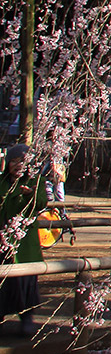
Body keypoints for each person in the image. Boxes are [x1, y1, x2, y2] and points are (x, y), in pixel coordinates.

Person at [0, 144, 48, 338]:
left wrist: (31, 195)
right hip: (2, 238)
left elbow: (42, 203)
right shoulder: (2, 182)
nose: (18, 165)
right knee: (2, 284)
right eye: (14, 161)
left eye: (22, 161)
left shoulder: (36, 181)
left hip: (25, 241)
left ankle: (27, 317)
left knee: (25, 281)